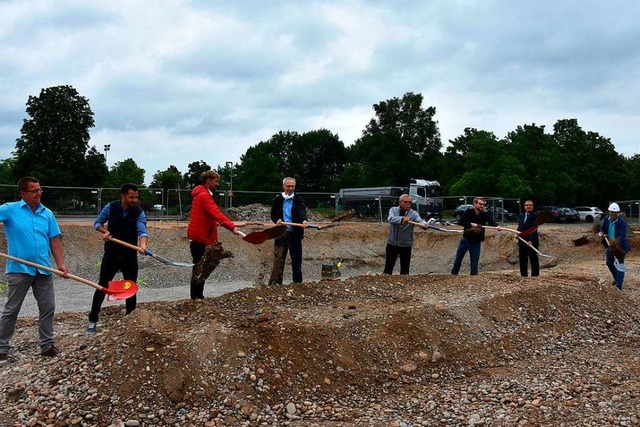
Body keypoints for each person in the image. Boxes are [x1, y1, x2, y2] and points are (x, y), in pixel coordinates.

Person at [0, 177, 68, 360]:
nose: (39, 193)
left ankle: (47, 345)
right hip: (19, 269)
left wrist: (60, 264)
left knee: (48, 307)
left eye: (40, 190)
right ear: (23, 193)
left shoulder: (47, 214)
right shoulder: (10, 209)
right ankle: (1, 347)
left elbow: (54, 240)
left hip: (44, 270)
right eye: (34, 191)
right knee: (12, 309)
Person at [87, 183, 148, 334]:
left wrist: (143, 245)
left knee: (131, 287)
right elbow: (97, 224)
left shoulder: (139, 212)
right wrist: (105, 232)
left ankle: (130, 319)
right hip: (112, 253)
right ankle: (92, 320)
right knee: (102, 286)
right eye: (131, 197)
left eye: (136, 197)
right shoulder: (110, 207)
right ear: (123, 196)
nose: (134, 200)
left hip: (129, 254)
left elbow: (142, 232)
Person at [187, 170, 245, 299]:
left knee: (199, 267)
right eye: (216, 181)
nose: (217, 184)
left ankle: (196, 296)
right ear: (208, 181)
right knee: (200, 267)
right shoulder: (204, 196)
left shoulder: (201, 194)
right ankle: (196, 297)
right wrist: (232, 228)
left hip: (198, 236)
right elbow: (216, 213)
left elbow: (208, 215)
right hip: (200, 238)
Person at [269, 177, 308, 285]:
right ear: (284, 186)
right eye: (288, 186)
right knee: (279, 260)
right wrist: (277, 220)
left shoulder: (298, 199)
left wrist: (304, 220)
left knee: (296, 261)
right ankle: (276, 284)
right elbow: (273, 215)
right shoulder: (278, 199)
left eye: (292, 186)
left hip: (295, 234)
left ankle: (297, 284)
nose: (290, 188)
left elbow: (301, 212)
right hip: (281, 233)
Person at [451, 197, 499, 275]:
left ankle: (473, 276)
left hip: (476, 242)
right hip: (465, 240)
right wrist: (470, 224)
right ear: (475, 204)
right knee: (458, 259)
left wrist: (497, 227)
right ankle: (454, 274)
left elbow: (491, 223)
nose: (482, 206)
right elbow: (460, 222)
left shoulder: (484, 214)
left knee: (475, 261)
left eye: (483, 204)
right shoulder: (468, 212)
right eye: (480, 204)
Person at [383, 194, 428, 275]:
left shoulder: (413, 214)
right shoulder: (393, 210)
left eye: (410, 203)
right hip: (392, 244)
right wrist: (401, 219)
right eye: (406, 202)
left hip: (405, 245)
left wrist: (424, 224)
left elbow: (419, 220)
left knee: (405, 270)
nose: (408, 204)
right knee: (388, 268)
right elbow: (390, 219)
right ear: (400, 202)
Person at [599, 202, 630, 290]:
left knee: (620, 265)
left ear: (618, 213)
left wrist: (615, 244)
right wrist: (601, 233)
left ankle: (619, 286)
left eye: (615, 212)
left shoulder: (622, 222)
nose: (613, 214)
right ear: (609, 212)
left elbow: (622, 236)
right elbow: (602, 229)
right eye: (611, 212)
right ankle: (617, 279)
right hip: (610, 246)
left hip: (620, 247)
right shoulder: (606, 219)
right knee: (609, 263)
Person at [516, 200, 540, 277]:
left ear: (533, 207)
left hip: (532, 241)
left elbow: (533, 229)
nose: (529, 206)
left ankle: (535, 276)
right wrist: (517, 233)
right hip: (522, 241)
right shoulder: (521, 215)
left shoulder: (535, 216)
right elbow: (520, 227)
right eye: (527, 205)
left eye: (530, 205)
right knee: (522, 260)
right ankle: (523, 276)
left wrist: (530, 240)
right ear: (524, 207)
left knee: (533, 259)